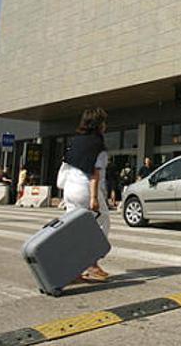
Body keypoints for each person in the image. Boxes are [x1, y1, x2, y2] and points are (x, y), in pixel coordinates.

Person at [62, 107, 112, 281]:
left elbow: (66, 166)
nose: (105, 125)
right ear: (98, 125)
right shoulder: (98, 145)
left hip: (69, 189)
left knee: (74, 228)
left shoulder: (75, 141)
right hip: (85, 190)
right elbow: (95, 173)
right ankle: (91, 262)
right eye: (103, 122)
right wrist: (93, 198)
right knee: (103, 221)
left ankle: (72, 269)